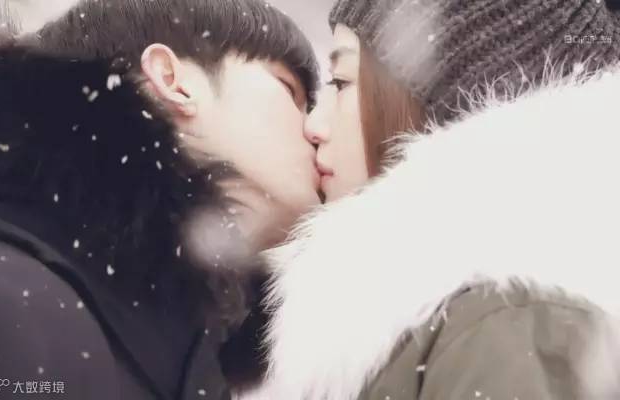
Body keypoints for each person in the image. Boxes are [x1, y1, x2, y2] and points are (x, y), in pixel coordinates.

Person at [241, 0, 620, 399]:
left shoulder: (506, 322)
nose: (315, 125)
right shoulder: (457, 317)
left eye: (341, 82)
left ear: (446, 98)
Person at [0, 0, 320, 399]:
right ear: (171, 78)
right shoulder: (3, 303)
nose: (315, 127)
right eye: (291, 90)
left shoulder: (196, 351)